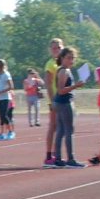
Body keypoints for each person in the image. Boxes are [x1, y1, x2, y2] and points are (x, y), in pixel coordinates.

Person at [52, 47, 87, 168]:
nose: (71, 60)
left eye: (73, 58)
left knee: (61, 130)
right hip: (64, 103)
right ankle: (70, 159)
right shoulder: (64, 71)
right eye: (68, 58)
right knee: (68, 131)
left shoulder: (64, 70)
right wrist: (75, 86)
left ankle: (57, 158)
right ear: (62, 58)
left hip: (61, 102)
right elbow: (61, 90)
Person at [43, 38, 64, 168]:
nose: (56, 50)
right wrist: (52, 101)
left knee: (62, 128)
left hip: (64, 99)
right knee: (53, 126)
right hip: (56, 100)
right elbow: (49, 84)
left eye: (58, 47)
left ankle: (58, 154)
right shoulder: (51, 64)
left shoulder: (64, 64)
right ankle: (49, 156)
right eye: (54, 48)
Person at [0, 59, 15, 140]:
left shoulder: (6, 74)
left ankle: (11, 132)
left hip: (6, 98)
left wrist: (0, 92)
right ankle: (1, 134)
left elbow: (11, 87)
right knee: (1, 116)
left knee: (5, 115)